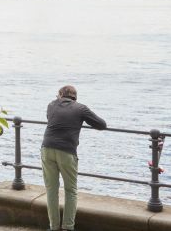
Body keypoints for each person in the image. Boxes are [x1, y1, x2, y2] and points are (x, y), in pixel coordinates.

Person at [41, 85, 106, 231]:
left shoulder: (51, 105)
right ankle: (68, 227)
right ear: (74, 97)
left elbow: (51, 119)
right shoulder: (81, 108)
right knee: (70, 190)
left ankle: (53, 227)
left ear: (60, 95)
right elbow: (102, 125)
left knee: (51, 189)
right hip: (66, 151)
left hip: (47, 147)